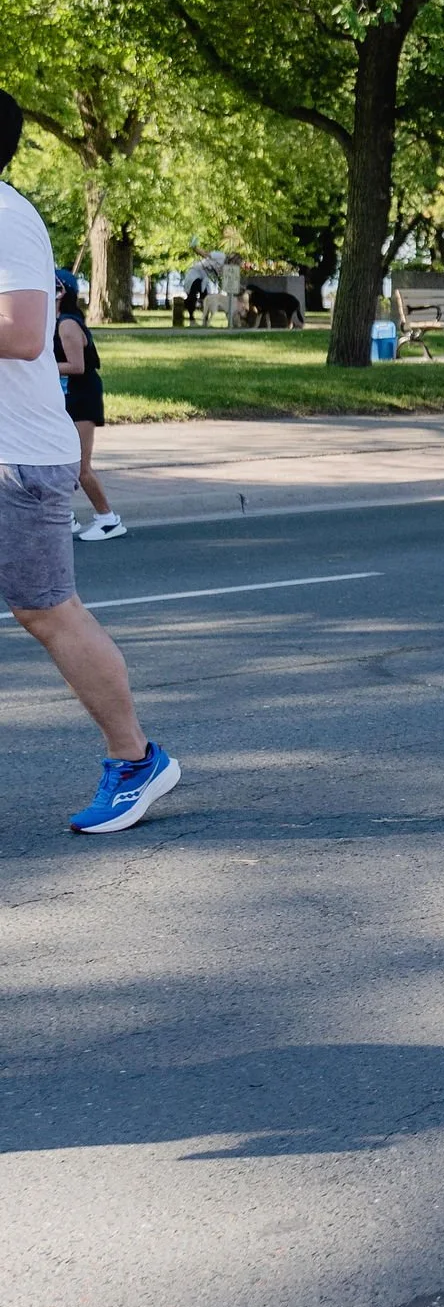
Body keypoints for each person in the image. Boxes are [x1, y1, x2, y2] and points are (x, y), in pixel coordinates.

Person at [0, 92, 179, 832]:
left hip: (16, 460)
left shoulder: (5, 214)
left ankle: (136, 760)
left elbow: (20, 331)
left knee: (47, 613)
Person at [54, 270, 124, 542]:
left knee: (81, 468)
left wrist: (40, 365)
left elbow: (77, 366)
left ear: (60, 292)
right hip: (68, 398)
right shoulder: (56, 321)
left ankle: (108, 520)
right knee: (60, 463)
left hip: (83, 397)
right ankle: (65, 517)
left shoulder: (68, 324)